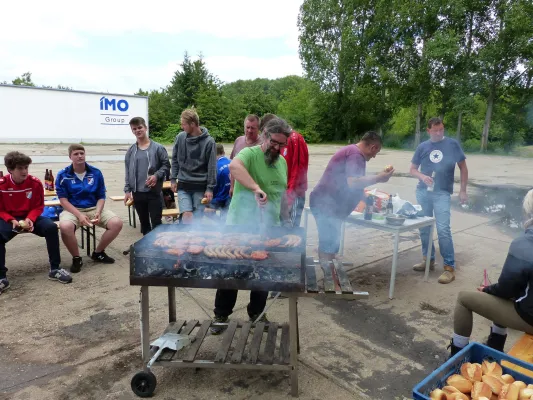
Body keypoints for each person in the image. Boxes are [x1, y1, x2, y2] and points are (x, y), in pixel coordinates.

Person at [211, 117, 291, 334]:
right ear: (265, 135)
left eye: (282, 144)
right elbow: (234, 167)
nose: (277, 147)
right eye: (274, 142)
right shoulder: (251, 153)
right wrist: (256, 188)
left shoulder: (282, 162)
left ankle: (257, 312)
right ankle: (221, 315)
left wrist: (286, 219)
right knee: (232, 272)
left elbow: (281, 194)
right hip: (240, 224)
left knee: (263, 273)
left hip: (267, 228)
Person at [448, 189, 533, 357]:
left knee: (464, 299)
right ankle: (495, 347)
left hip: (529, 317)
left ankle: (457, 357)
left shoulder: (524, 243)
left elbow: (507, 289)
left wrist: (487, 290)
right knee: (504, 295)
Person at [310, 131, 394, 263]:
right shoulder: (356, 155)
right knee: (328, 245)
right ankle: (330, 279)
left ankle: (330, 267)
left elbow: (353, 185)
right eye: (375, 153)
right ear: (373, 147)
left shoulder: (352, 152)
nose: (374, 157)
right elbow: (353, 182)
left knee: (331, 243)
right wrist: (379, 178)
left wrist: (367, 200)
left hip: (329, 205)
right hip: (325, 204)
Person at [0, 151, 72, 293]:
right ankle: (1, 277)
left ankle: (55, 268)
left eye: (26, 167)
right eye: (20, 168)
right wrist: (12, 220)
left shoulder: (35, 183)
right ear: (10, 170)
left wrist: (30, 219)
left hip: (30, 217)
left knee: (51, 227)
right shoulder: (2, 185)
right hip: (10, 218)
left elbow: (39, 206)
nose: (24, 171)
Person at [410, 117, 469, 284]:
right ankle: (428, 260)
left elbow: (463, 168)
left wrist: (463, 190)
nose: (439, 133)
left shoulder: (452, 144)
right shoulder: (423, 147)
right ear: (428, 131)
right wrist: (422, 176)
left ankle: (449, 267)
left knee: (443, 229)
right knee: (424, 228)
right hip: (423, 192)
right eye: (435, 130)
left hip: (442, 193)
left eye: (441, 129)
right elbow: (413, 169)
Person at [56, 144, 123, 273]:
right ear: (70, 156)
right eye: (76, 154)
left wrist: (98, 212)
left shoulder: (95, 172)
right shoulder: (63, 175)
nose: (80, 156)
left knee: (117, 223)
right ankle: (76, 258)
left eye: (82, 153)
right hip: (73, 209)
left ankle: (98, 252)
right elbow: (63, 201)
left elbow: (101, 196)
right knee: (65, 227)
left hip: (93, 207)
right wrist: (79, 215)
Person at [260, 113, 309, 228]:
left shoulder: (294, 139)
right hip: (281, 195)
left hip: (293, 194)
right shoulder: (276, 141)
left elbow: (298, 170)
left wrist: (290, 196)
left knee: (290, 230)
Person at [124, 117, 170, 235]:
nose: (137, 130)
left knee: (156, 223)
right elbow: (128, 171)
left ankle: (158, 249)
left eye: (140, 127)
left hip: (153, 192)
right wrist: (127, 190)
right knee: (144, 223)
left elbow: (166, 166)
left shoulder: (158, 148)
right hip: (137, 193)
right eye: (134, 129)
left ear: (145, 128)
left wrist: (156, 176)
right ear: (132, 131)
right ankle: (147, 249)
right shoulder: (131, 151)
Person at [170, 109, 216, 224]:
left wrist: (210, 188)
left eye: (184, 124)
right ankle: (185, 240)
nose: (182, 127)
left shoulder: (209, 142)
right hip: (183, 185)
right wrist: (173, 179)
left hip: (200, 186)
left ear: (193, 124)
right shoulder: (180, 138)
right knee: (187, 215)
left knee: (197, 220)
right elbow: (175, 159)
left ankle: (194, 240)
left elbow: (212, 166)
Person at [229, 114, 262, 197]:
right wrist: (232, 186)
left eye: (253, 128)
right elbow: (233, 166)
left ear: (258, 129)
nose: (250, 130)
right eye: (248, 127)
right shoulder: (238, 140)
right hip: (238, 189)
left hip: (254, 190)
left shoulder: (263, 144)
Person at [208, 144, 231, 220]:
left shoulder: (215, 167)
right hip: (232, 197)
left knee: (200, 208)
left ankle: (219, 223)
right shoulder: (232, 162)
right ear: (223, 152)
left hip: (221, 199)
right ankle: (222, 221)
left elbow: (213, 187)